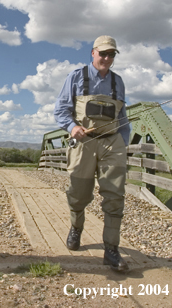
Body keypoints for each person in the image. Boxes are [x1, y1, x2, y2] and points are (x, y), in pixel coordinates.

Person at [53, 35, 130, 272]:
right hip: (84, 143)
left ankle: (111, 250)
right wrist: (73, 127)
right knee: (78, 193)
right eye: (103, 53)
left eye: (111, 55)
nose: (107, 58)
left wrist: (122, 143)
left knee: (115, 196)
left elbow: (122, 117)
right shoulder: (76, 77)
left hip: (111, 144)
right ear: (93, 52)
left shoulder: (118, 82)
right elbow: (61, 110)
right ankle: (76, 228)